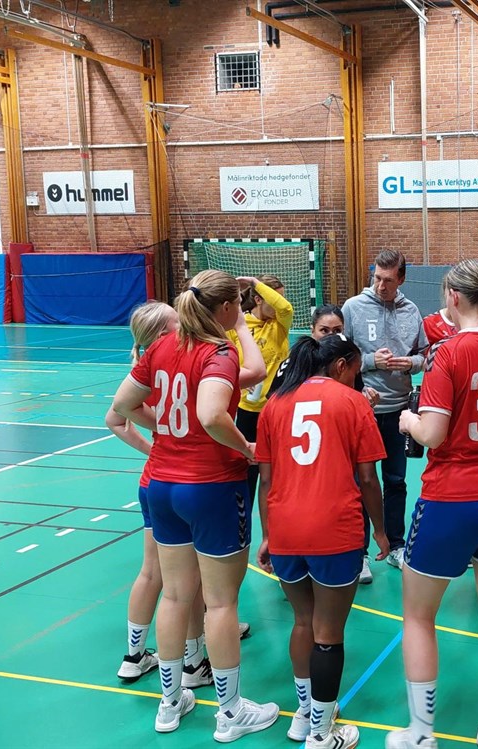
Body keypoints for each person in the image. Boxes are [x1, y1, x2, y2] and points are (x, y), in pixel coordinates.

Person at [111, 270, 279, 742]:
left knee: (175, 595)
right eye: (239, 306)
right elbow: (210, 414)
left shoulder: (162, 346)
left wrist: (167, 428)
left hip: (161, 485)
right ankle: (230, 712)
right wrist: (245, 447)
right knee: (221, 602)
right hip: (210, 487)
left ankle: (170, 703)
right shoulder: (219, 352)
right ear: (226, 308)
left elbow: (123, 404)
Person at [386, 259, 478, 749]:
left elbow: (432, 433)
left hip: (451, 496)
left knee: (418, 616)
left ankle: (421, 733)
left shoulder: (446, 353)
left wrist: (407, 421)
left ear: (452, 297)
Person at [255, 334, 390, 749]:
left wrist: (268, 534)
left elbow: (265, 480)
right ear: (339, 365)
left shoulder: (275, 403)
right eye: (356, 370)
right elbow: (367, 478)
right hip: (334, 529)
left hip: (285, 529)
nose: (357, 379)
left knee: (302, 622)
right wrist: (381, 531)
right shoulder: (352, 402)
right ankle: (321, 732)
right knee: (328, 632)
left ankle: (305, 713)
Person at [107, 302, 241, 688]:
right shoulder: (184, 355)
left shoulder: (153, 360)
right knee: (180, 582)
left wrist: (159, 438)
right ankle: (195, 665)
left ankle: (146, 659)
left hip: (158, 480)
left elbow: (116, 415)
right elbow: (117, 415)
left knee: (169, 581)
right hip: (187, 478)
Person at [342, 250, 427, 576]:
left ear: (401, 279)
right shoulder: (353, 307)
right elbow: (338, 358)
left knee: (396, 480)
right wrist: (370, 361)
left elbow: (424, 356)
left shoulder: (411, 311)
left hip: (398, 411)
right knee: (359, 482)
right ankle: (360, 552)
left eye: (388, 280)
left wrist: (411, 363)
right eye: (377, 277)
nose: (380, 285)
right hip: (361, 410)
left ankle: (396, 545)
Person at [230, 274, 294, 507]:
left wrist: (254, 283)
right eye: (274, 297)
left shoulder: (280, 325)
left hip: (276, 410)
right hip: (247, 411)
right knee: (247, 473)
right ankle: (243, 519)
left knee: (276, 475)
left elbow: (285, 308)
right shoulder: (238, 326)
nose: (279, 303)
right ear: (258, 300)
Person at [270, 305, 380, 409]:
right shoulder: (293, 363)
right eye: (324, 330)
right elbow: (273, 401)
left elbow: (356, 394)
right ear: (312, 330)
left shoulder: (348, 363)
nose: (331, 336)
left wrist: (365, 396)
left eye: (337, 331)